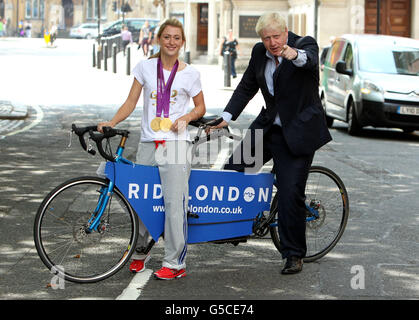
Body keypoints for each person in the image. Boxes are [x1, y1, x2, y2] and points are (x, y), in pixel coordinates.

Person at [208, 13, 332, 274]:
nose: (272, 42)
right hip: (268, 128)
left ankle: (294, 254)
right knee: (234, 171)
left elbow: (308, 61)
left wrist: (292, 54)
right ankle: (235, 229)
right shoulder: (259, 52)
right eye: (267, 38)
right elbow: (246, 87)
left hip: (297, 132)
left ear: (286, 32)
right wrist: (226, 117)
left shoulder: (305, 44)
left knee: (289, 193)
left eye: (276, 36)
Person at [97, 18, 206, 280]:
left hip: (177, 145)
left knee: (175, 203)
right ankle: (141, 250)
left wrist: (187, 118)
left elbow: (200, 107)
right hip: (148, 143)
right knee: (140, 201)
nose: (171, 42)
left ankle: (175, 263)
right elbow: (131, 101)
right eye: (167, 37)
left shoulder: (190, 73)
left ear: (182, 42)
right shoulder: (145, 67)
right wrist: (112, 122)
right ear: (159, 39)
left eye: (176, 38)